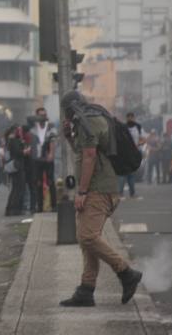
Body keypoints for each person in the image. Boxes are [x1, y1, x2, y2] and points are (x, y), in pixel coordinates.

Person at [59, 91, 142, 307]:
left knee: (87, 237)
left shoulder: (88, 122)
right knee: (88, 241)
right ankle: (86, 291)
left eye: (65, 111)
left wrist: (83, 192)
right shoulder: (87, 120)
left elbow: (89, 156)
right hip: (97, 188)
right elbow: (81, 151)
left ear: (70, 108)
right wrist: (69, 136)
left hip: (98, 189)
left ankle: (126, 273)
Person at [30, 107, 58, 212]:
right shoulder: (33, 127)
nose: (43, 117)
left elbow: (53, 140)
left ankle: (54, 206)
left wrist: (51, 153)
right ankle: (40, 207)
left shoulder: (50, 126)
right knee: (38, 183)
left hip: (47, 158)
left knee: (51, 181)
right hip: (37, 159)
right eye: (40, 115)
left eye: (44, 115)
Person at [118, 112, 144, 200]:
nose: (130, 119)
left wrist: (139, 145)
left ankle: (132, 193)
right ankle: (120, 194)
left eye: (132, 117)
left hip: (134, 153)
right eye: (128, 117)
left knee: (131, 174)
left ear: (134, 118)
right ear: (126, 118)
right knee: (122, 174)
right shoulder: (123, 127)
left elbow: (142, 139)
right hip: (124, 153)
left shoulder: (138, 127)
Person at [4, 126, 29, 216]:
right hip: (17, 167)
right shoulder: (14, 141)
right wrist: (25, 151)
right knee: (18, 189)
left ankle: (11, 208)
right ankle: (14, 209)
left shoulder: (9, 140)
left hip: (14, 167)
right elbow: (18, 152)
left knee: (15, 188)